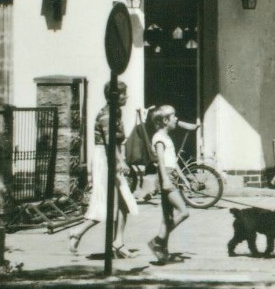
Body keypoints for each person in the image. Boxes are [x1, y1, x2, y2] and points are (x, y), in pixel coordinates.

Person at [69, 81, 138, 258]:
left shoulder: (116, 112)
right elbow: (110, 143)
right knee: (103, 202)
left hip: (112, 156)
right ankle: (77, 232)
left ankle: (118, 242)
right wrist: (120, 161)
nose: (126, 97)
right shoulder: (107, 115)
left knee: (124, 200)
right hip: (105, 158)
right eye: (123, 94)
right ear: (115, 95)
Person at [147, 105, 191, 263]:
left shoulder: (166, 137)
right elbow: (160, 161)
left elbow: (174, 162)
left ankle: (162, 254)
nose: (176, 119)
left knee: (167, 218)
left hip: (170, 175)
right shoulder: (159, 138)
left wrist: (184, 179)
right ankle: (158, 241)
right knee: (184, 212)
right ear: (165, 120)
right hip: (166, 177)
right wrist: (165, 180)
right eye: (174, 116)